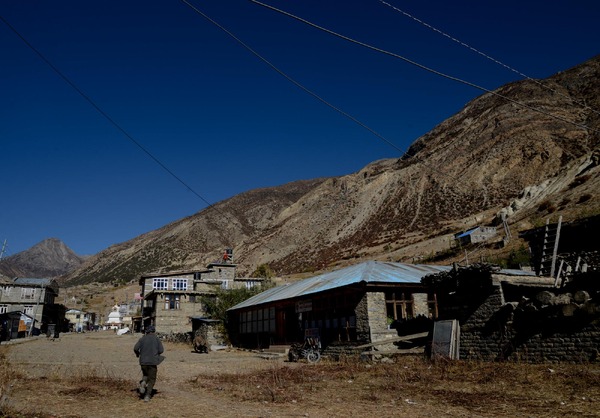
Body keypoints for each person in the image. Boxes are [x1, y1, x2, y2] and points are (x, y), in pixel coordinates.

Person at [133, 325, 164, 402]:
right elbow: (161, 350)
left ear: (146, 332)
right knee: (152, 379)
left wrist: (138, 354)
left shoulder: (142, 339)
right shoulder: (156, 339)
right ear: (154, 331)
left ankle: (143, 383)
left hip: (143, 361)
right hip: (153, 362)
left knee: (145, 375)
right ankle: (147, 395)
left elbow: (135, 348)